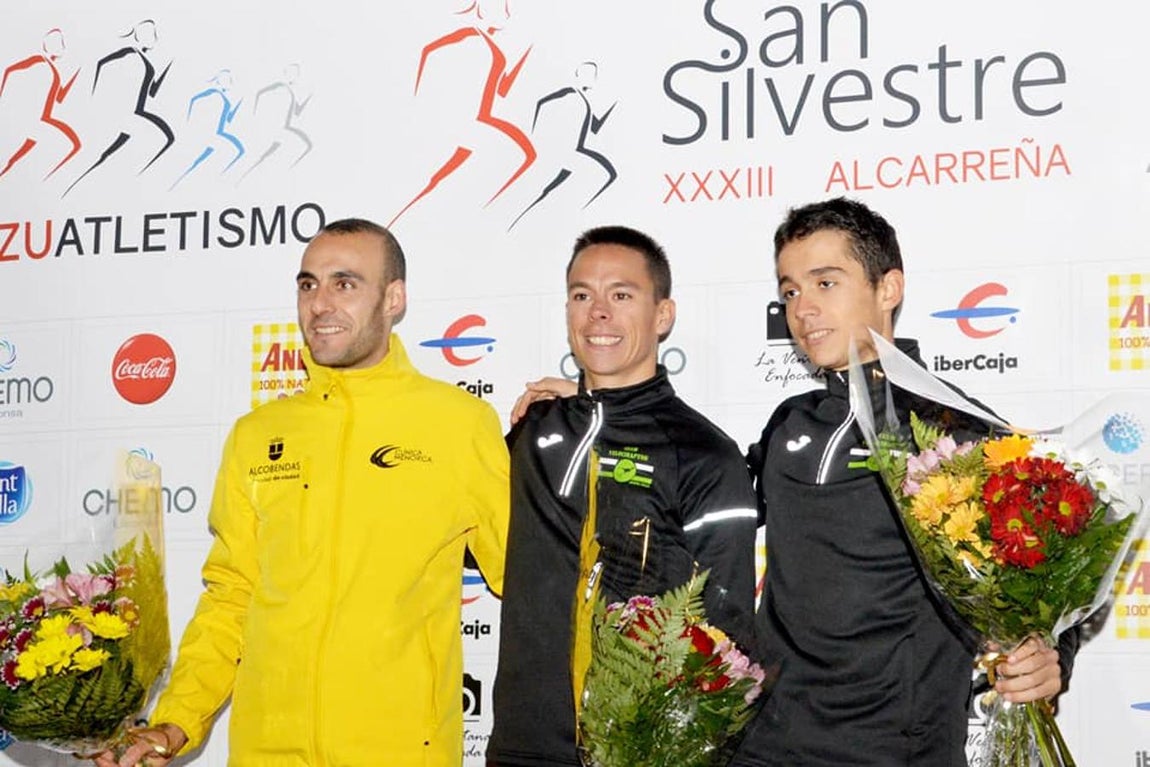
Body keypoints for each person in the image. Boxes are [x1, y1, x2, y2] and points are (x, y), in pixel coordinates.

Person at [94, 218, 510, 766]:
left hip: (401, 751)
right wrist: (176, 721)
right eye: (308, 284)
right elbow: (230, 599)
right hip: (268, 752)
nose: (320, 304)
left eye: (345, 283)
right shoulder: (257, 435)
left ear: (394, 298)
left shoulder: (458, 424)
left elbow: (531, 583)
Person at [729, 197, 1076, 766]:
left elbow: (1048, 573)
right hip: (765, 744)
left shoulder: (955, 426)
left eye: (825, 283)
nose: (803, 309)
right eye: (790, 290)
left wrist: (1049, 650)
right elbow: (700, 489)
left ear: (888, 288)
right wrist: (604, 404)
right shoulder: (791, 421)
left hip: (895, 749)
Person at [486, 225, 759, 767]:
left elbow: (729, 636)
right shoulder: (533, 433)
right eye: (582, 295)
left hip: (641, 748)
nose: (598, 313)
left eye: (622, 295)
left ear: (663, 315)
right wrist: (583, 407)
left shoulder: (704, 453)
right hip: (523, 745)